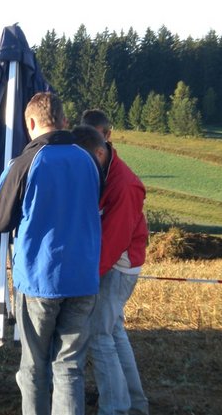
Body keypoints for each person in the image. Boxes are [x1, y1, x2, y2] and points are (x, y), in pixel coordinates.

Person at [0, 92, 102, 415]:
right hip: (83, 278)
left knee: (34, 367)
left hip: (40, 278)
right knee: (70, 368)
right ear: (64, 121)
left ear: (32, 123)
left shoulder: (26, 163)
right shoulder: (90, 161)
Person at [79, 109, 149, 415]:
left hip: (118, 267)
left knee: (98, 335)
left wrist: (86, 280)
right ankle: (134, 404)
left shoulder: (123, 185)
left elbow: (113, 241)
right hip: (114, 263)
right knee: (114, 332)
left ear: (101, 147)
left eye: (84, 159)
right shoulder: (104, 171)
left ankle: (115, 408)